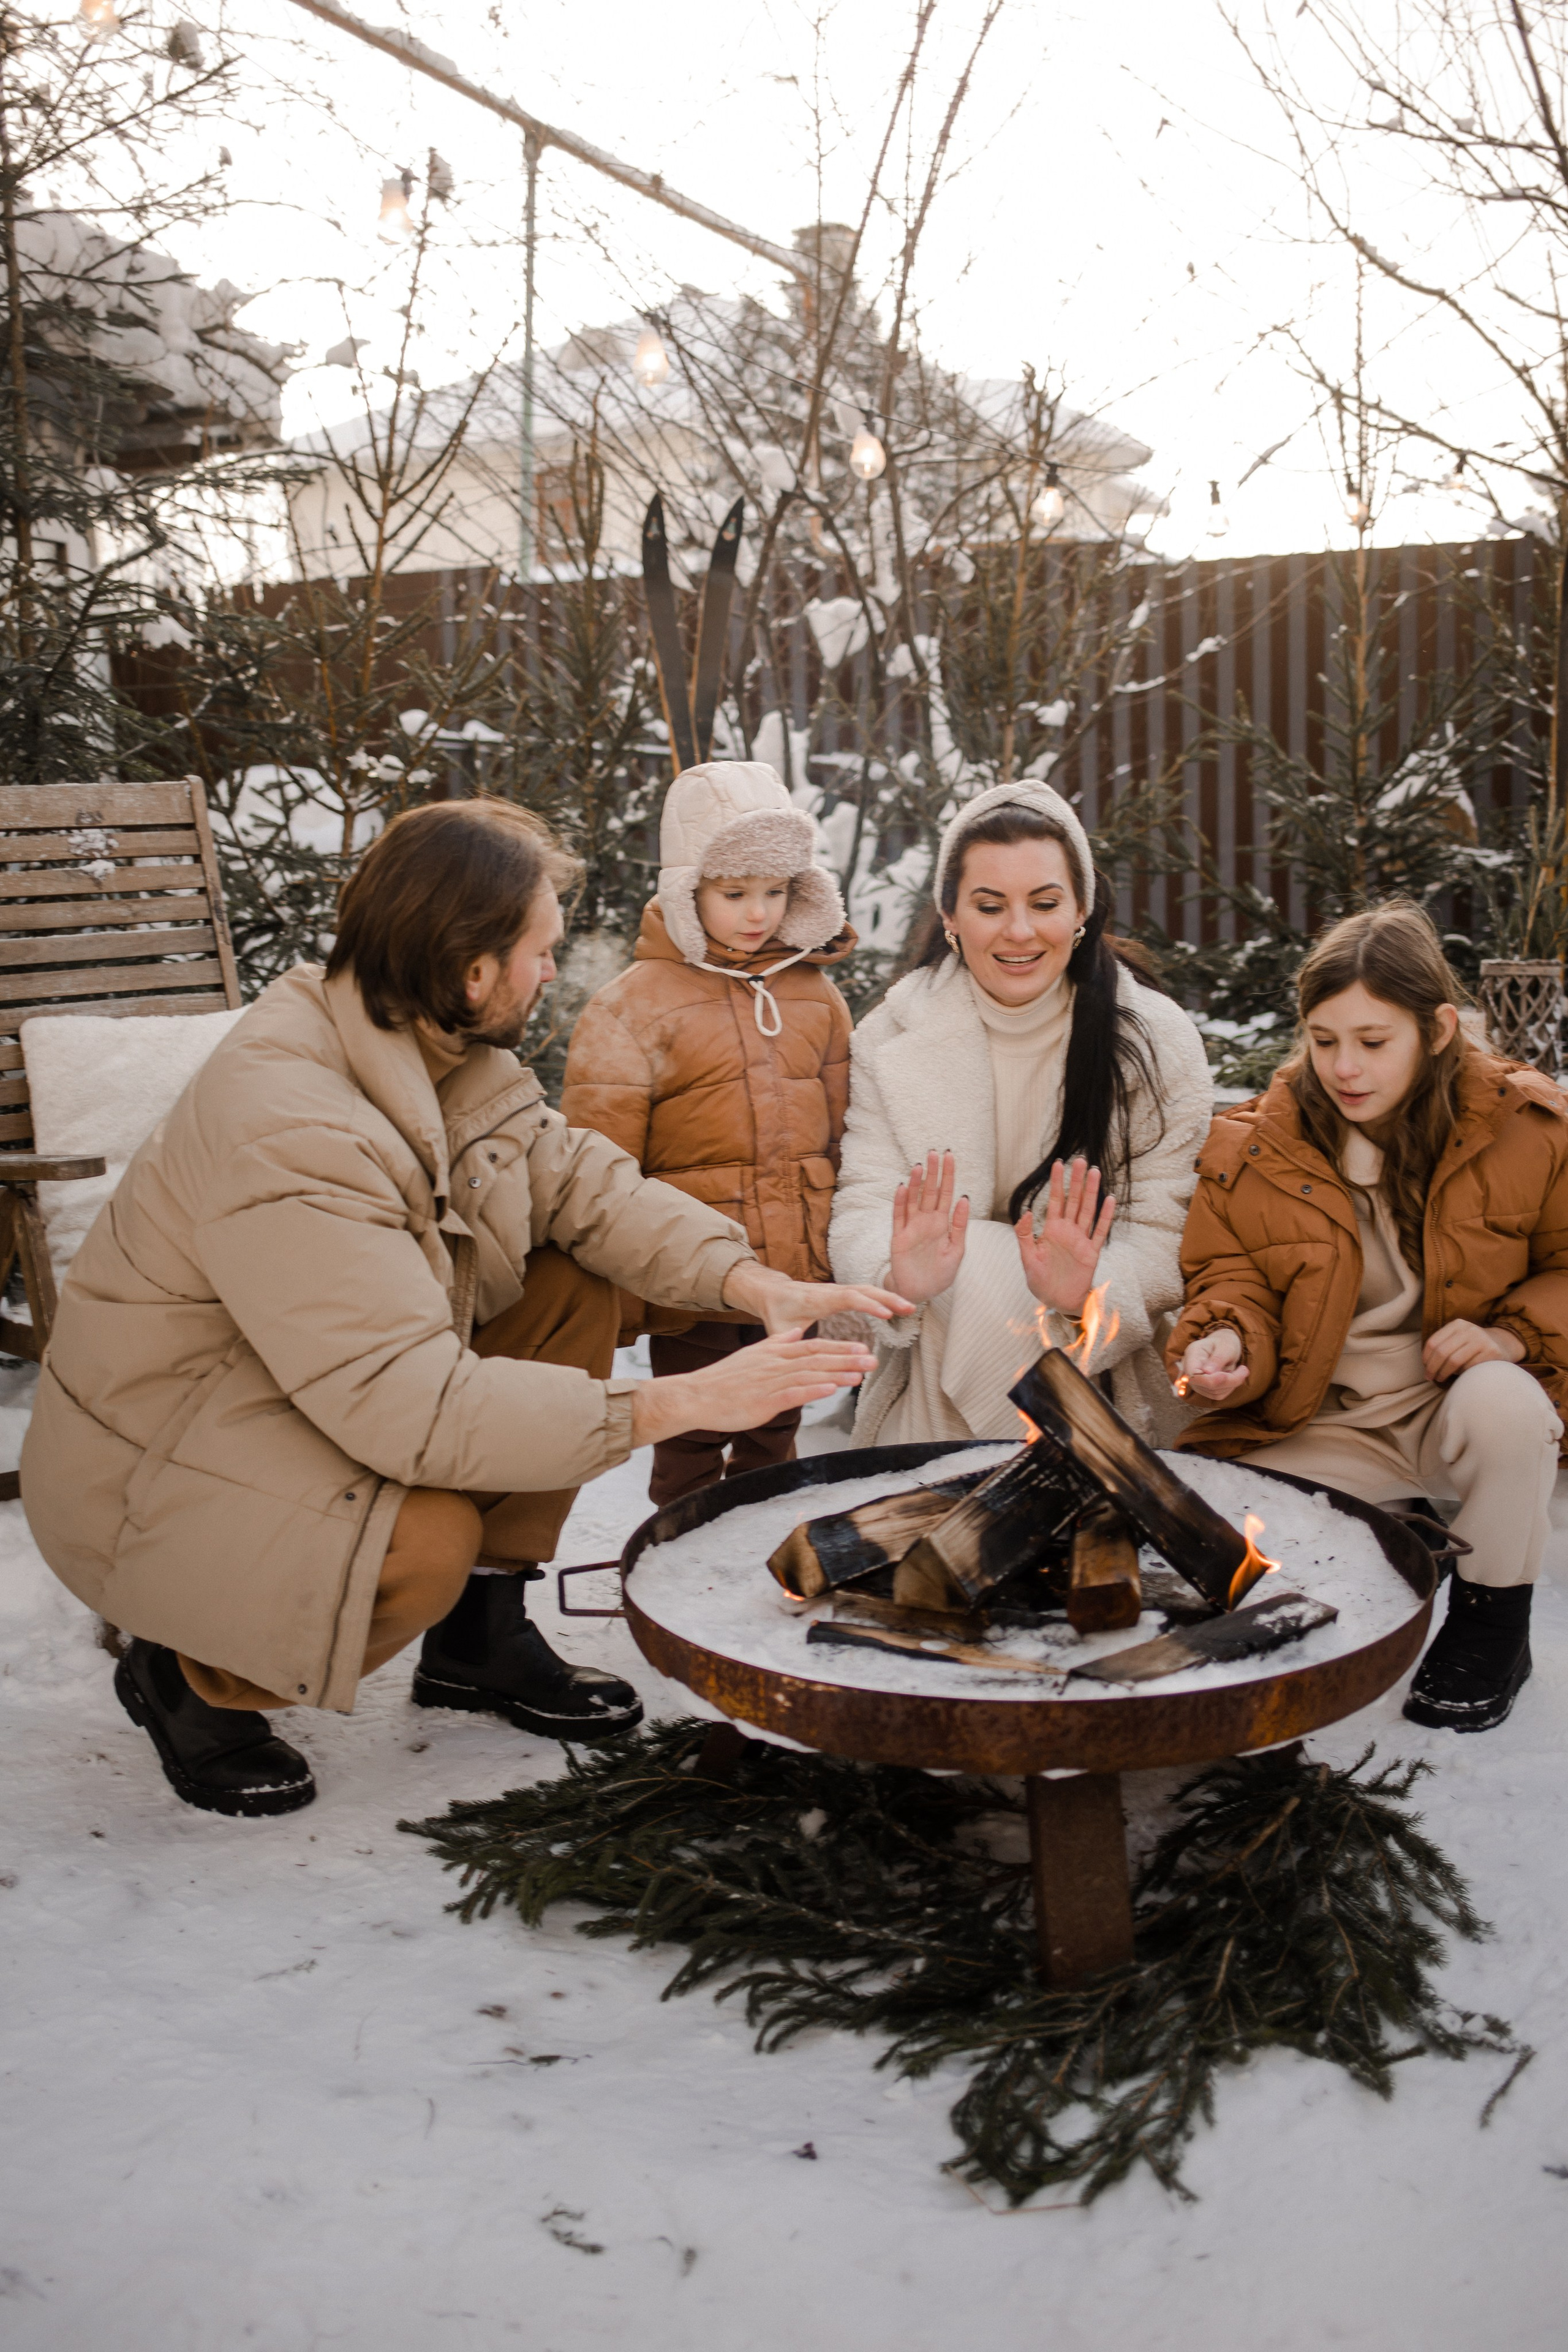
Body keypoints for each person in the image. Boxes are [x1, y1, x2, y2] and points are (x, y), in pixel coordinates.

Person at [20, 801, 903, 1819]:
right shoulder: (294, 1123)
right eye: (540, 951)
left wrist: (756, 1284)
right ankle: (187, 1674)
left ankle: (479, 1640)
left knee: (573, 1276)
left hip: (289, 1396)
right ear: (475, 969)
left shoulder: (432, 1043)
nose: (549, 973)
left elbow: (583, 1185)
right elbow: (410, 1407)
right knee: (421, 1544)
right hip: (153, 1469)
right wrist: (672, 1406)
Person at [1170, 900, 1568, 1735]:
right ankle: (1398, 1529)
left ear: (1438, 1029)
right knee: (1227, 1570)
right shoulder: (1254, 1148)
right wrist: (1226, 1338)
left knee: (1510, 1402)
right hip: (1322, 1420)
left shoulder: (1527, 1128)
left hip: (1447, 1407)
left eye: (1372, 1042)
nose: (1344, 1067)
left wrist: (1509, 1337)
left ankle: (1493, 1626)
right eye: (1324, 1040)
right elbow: (1229, 1274)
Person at [829, 780, 1213, 1445]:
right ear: (949, 916)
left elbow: (1170, 1233)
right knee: (969, 1260)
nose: (1018, 931)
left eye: (1044, 903)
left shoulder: (1154, 1038)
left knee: (981, 1259)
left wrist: (1089, 1287)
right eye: (988, 905)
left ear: (1081, 910)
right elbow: (863, 1201)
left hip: (1099, 1362)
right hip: (934, 1347)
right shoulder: (891, 1036)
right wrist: (897, 1274)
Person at [561, 760, 854, 1507]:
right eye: (733, 894)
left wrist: (840, 1240)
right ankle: (680, 1541)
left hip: (793, 1261)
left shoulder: (815, 995)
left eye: (775, 891)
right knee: (693, 1420)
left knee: (778, 1416)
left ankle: (760, 1539)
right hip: (691, 1267)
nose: (757, 913)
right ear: (688, 890)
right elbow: (600, 1162)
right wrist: (614, 1293)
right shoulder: (635, 1005)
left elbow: (846, 1124)